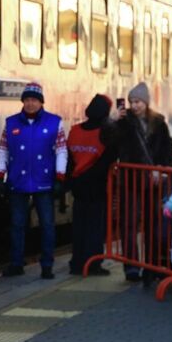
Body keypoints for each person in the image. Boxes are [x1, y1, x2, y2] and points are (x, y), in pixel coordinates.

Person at [0, 83, 66, 278]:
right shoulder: (11, 123)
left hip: (44, 180)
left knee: (47, 224)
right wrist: (0, 176)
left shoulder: (55, 122)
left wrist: (60, 176)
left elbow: (61, 151)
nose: (30, 103)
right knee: (17, 224)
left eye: (34, 100)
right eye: (27, 100)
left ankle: (47, 265)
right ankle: (16, 263)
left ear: (41, 102)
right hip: (18, 180)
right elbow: (3, 149)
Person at [114, 82, 172, 281]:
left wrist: (162, 168)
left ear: (146, 102)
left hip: (153, 181)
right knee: (129, 223)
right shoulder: (124, 122)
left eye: (138, 101)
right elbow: (109, 140)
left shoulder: (159, 123)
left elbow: (167, 149)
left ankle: (151, 264)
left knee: (152, 223)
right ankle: (131, 267)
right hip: (130, 180)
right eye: (132, 102)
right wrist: (112, 121)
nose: (135, 105)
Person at [65, 96, 117, 276]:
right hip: (96, 185)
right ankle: (93, 263)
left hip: (78, 185)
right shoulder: (106, 133)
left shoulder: (74, 131)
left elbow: (69, 159)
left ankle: (76, 263)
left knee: (79, 226)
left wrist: (72, 180)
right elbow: (106, 161)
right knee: (95, 226)